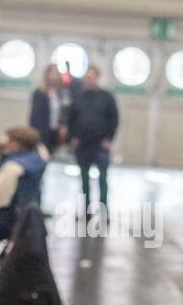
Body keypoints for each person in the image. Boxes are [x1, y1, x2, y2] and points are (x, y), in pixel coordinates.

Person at [66, 66, 118, 213]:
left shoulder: (107, 97)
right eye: (87, 78)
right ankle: (86, 209)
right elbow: (71, 119)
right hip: (82, 145)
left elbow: (114, 119)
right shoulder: (78, 97)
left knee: (102, 178)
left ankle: (103, 208)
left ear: (97, 78)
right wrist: (73, 137)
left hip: (100, 145)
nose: (89, 80)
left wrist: (109, 139)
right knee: (84, 179)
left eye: (92, 77)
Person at [29, 64, 66, 153]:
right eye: (52, 73)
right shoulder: (39, 93)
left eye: (56, 73)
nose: (54, 76)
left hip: (54, 132)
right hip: (42, 132)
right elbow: (35, 116)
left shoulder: (59, 93)